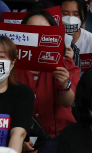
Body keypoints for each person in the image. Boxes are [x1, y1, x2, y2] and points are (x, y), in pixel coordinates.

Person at [15, 10, 78, 139]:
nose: (38, 35)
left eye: (43, 30)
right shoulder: (12, 66)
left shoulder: (65, 64)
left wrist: (64, 84)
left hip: (60, 138)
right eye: (32, 30)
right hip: (21, 136)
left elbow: (67, 103)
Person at [60, 0, 92, 74]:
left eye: (76, 14)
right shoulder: (52, 39)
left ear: (83, 17)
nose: (70, 18)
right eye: (65, 13)